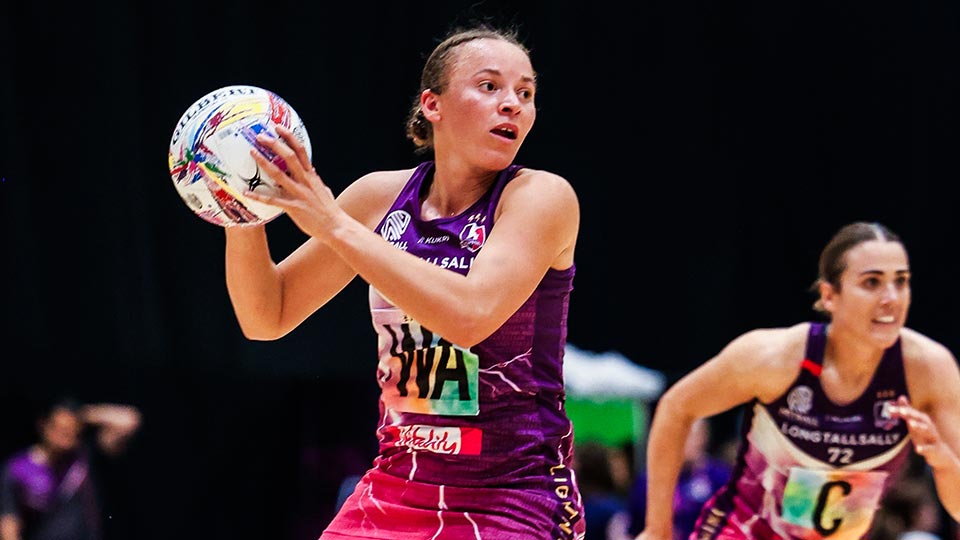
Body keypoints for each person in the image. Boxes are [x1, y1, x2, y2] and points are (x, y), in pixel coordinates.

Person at [225, 23, 584, 539]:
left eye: (525, 93)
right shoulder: (377, 197)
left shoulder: (541, 198)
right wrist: (240, 209)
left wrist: (333, 223)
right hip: (397, 484)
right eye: (490, 86)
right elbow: (267, 316)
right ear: (432, 105)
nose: (513, 104)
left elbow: (469, 315)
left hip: (512, 494)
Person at [636, 221, 960, 540]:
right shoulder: (775, 357)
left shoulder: (929, 369)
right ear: (830, 295)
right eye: (872, 282)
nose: (891, 297)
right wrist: (657, 528)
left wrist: (942, 462)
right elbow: (676, 407)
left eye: (901, 281)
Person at [0, 398, 141, 540]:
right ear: (43, 424)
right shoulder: (17, 469)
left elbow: (129, 420)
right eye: (60, 429)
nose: (64, 437)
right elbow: (9, 524)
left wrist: (83, 414)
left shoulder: (85, 457)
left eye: (71, 430)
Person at [627, 418, 732, 540]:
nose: (686, 441)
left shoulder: (720, 477)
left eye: (691, 435)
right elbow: (635, 530)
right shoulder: (647, 482)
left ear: (704, 436)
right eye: (679, 435)